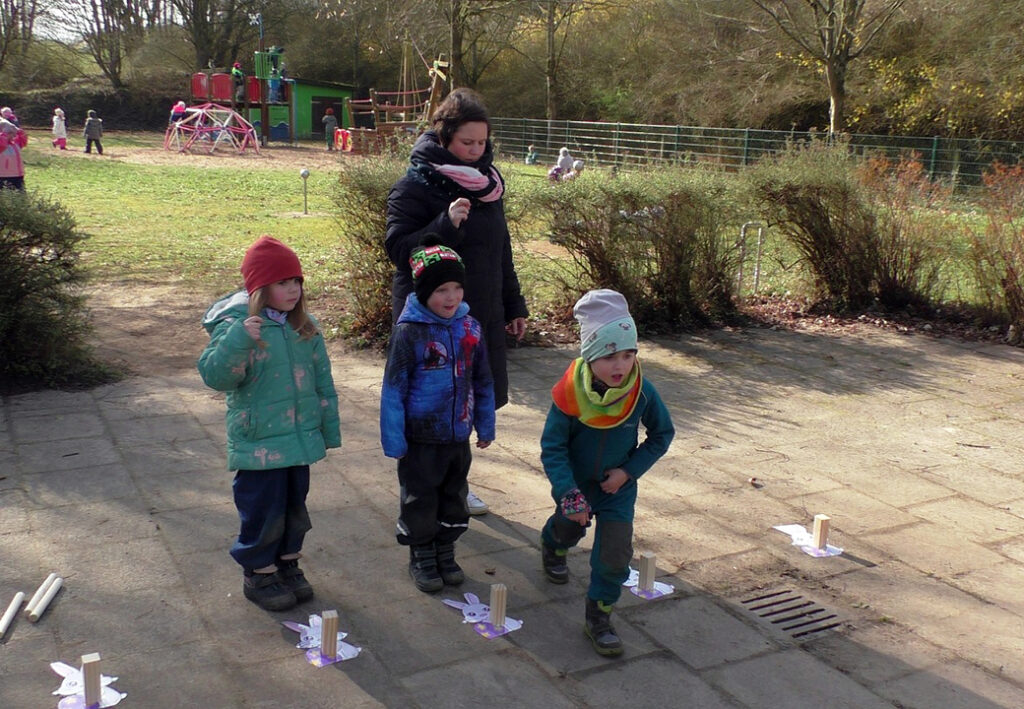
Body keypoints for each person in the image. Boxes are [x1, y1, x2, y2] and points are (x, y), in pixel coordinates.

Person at [386, 87, 528, 517]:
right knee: (428, 401)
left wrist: (514, 304)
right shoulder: (416, 184)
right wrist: (444, 225)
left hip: (477, 311)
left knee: (465, 398)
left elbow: (500, 250)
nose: (476, 150)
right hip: (428, 318)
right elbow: (399, 250)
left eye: (482, 142)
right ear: (444, 136)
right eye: (467, 142)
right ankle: (419, 491)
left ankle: (455, 487)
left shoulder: (489, 187)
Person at [197, 235, 341, 611]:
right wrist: (239, 339)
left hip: (299, 440)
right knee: (262, 511)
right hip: (259, 445)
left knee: (295, 509)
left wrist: (327, 430)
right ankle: (259, 572)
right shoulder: (238, 327)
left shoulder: (305, 327)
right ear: (260, 288)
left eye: (297, 282)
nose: (293, 290)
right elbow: (216, 377)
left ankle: (287, 563)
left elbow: (322, 383)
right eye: (282, 283)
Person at [539, 289, 675, 656]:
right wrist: (568, 493)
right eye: (610, 356)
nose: (621, 366)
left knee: (615, 554)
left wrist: (628, 472)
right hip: (576, 487)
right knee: (569, 529)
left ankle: (599, 615)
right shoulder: (569, 395)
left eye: (629, 355)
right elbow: (553, 448)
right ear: (590, 355)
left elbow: (662, 434)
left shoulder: (641, 392)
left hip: (618, 490)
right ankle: (553, 545)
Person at [380, 238, 495, 593]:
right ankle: (422, 554)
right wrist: (394, 439)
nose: (451, 297)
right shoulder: (409, 332)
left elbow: (483, 379)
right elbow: (394, 388)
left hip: (458, 435)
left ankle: (445, 549)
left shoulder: (470, 328)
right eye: (442, 290)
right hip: (420, 439)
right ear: (425, 291)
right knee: (420, 499)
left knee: (454, 497)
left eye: (457, 288)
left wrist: (485, 423)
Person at [0, 117, 27, 190]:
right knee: (6, 194)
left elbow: (24, 138)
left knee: (20, 194)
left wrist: (18, 130)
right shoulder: (2, 144)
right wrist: (4, 133)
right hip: (4, 176)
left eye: (14, 134)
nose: (13, 136)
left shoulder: (15, 144)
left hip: (18, 175)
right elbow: (2, 144)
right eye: (10, 133)